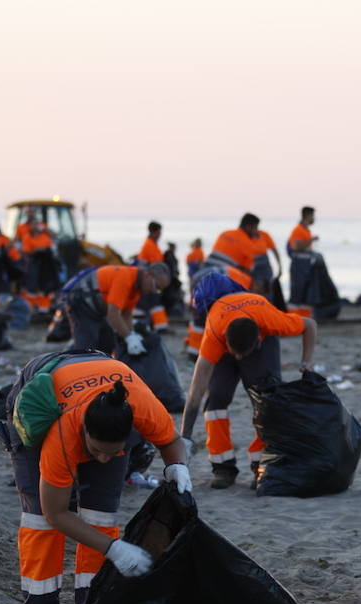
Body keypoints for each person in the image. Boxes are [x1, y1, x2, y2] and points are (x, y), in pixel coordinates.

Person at [5, 354, 192, 604]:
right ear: (84, 434)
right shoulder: (63, 434)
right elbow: (57, 513)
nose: (102, 460)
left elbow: (170, 440)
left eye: (113, 453)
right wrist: (114, 549)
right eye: (95, 451)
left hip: (100, 390)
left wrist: (177, 467)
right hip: (40, 401)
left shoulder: (142, 407)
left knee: (101, 518)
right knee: (39, 521)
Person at [179, 289, 317, 489]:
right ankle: (222, 467)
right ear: (226, 342)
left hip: (259, 330)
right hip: (224, 328)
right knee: (216, 399)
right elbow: (194, 396)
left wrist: (307, 362)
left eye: (243, 355)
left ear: (258, 340)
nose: (239, 359)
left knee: (267, 398)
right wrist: (185, 439)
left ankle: (262, 465)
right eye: (235, 354)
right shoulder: (214, 337)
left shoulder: (272, 322)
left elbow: (310, 325)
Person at [63, 262, 172, 355]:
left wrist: (132, 334)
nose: (154, 291)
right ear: (148, 275)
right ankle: (74, 363)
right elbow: (113, 314)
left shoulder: (137, 289)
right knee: (86, 345)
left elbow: (126, 315)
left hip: (96, 307)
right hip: (80, 301)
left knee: (107, 341)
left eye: (159, 290)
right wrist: (129, 337)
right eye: (156, 286)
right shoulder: (125, 277)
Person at [19, 212, 58, 314]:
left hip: (45, 265)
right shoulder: (27, 237)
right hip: (33, 264)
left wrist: (46, 230)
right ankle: (30, 309)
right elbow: (26, 252)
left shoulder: (45, 235)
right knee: (32, 288)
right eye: (33, 224)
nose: (35, 226)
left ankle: (44, 309)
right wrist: (37, 250)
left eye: (36, 224)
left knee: (45, 287)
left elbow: (51, 244)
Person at [286, 206, 321, 317]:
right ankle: (293, 318)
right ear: (307, 216)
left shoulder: (306, 230)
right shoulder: (298, 230)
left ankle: (304, 319)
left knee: (306, 293)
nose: (314, 218)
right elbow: (296, 246)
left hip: (305, 265)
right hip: (298, 265)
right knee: (297, 292)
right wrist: (311, 240)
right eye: (312, 216)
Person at [135, 221, 170, 331]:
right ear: (153, 232)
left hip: (148, 279)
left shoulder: (151, 245)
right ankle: (143, 326)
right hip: (149, 280)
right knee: (148, 303)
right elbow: (157, 266)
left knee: (150, 304)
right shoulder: (150, 246)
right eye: (159, 232)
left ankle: (153, 326)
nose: (160, 235)